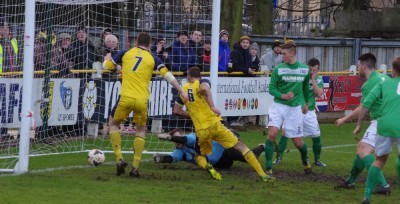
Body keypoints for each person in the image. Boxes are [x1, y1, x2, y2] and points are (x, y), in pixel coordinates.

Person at [102, 32, 188, 177]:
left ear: (136, 42)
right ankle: (135, 167)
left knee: (113, 125)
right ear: (149, 45)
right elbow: (167, 75)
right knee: (140, 130)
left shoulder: (125, 52)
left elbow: (105, 67)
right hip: (142, 100)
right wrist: (181, 91)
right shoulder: (153, 58)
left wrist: (107, 60)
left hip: (125, 97)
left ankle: (119, 159)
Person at [173, 67, 275, 182]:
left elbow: (176, 111)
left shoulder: (183, 91)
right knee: (241, 147)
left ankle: (208, 167)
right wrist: (212, 106)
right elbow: (205, 89)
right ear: (199, 75)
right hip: (215, 125)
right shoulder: (202, 81)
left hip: (201, 131)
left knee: (199, 155)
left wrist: (193, 114)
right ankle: (263, 175)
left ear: (188, 76)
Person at [335, 53, 390, 196]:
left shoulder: (369, 84)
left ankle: (383, 185)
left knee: (363, 150)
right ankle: (351, 181)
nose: (358, 68)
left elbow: (362, 107)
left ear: (364, 66)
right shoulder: (385, 78)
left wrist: (344, 119)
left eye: (359, 65)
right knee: (362, 149)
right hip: (392, 120)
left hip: (381, 121)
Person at [354, 56, 400, 204]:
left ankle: (367, 197)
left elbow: (366, 104)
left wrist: (359, 124)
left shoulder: (384, 84)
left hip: (383, 125)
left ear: (393, 70)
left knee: (379, 161)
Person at [264, 41, 311, 176]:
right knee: (272, 134)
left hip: (294, 109)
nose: (281, 55)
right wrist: (283, 95)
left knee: (298, 142)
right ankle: (268, 167)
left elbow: (305, 88)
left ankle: (305, 160)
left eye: (284, 54)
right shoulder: (278, 69)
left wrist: (306, 103)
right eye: (281, 53)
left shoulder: (304, 69)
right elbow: (271, 89)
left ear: (292, 53)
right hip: (278, 106)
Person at [275, 58, 326, 167]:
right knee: (285, 133)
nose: (312, 72)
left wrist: (313, 79)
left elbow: (319, 94)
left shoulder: (319, 79)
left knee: (316, 136)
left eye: (315, 70)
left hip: (310, 112)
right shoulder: (300, 77)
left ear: (318, 70)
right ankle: (279, 158)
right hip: (295, 109)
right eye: (310, 70)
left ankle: (317, 160)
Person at [154, 128, 265, 169]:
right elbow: (173, 158)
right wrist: (160, 159)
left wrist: (170, 138)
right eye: (175, 141)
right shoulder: (180, 152)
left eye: (177, 138)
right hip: (219, 165)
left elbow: (184, 140)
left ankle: (262, 146)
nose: (176, 142)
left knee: (252, 157)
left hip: (225, 151)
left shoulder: (191, 137)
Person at [0, 17, 18, 138]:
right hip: (1, 77)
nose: (5, 30)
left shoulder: (13, 40)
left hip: (11, 77)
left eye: (6, 28)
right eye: (2, 28)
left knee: (7, 106)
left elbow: (17, 57)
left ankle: (4, 130)